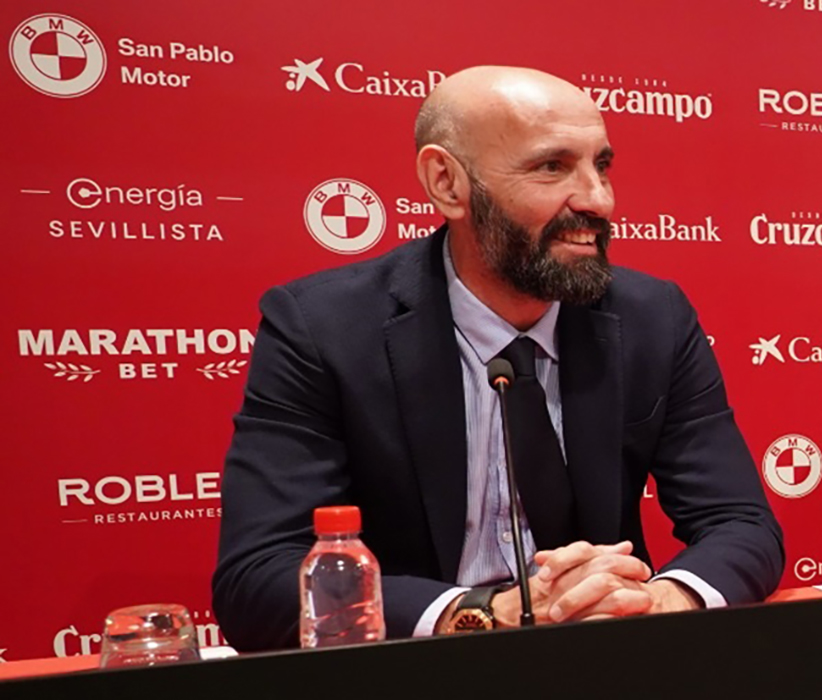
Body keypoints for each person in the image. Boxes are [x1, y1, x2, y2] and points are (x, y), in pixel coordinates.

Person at [212, 66, 784, 649]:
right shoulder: (323, 327)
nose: (597, 199)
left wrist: (658, 599)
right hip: (415, 670)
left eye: (602, 165)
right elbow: (257, 578)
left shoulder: (652, 317)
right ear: (447, 183)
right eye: (551, 166)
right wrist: (485, 613)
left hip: (608, 659)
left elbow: (741, 524)